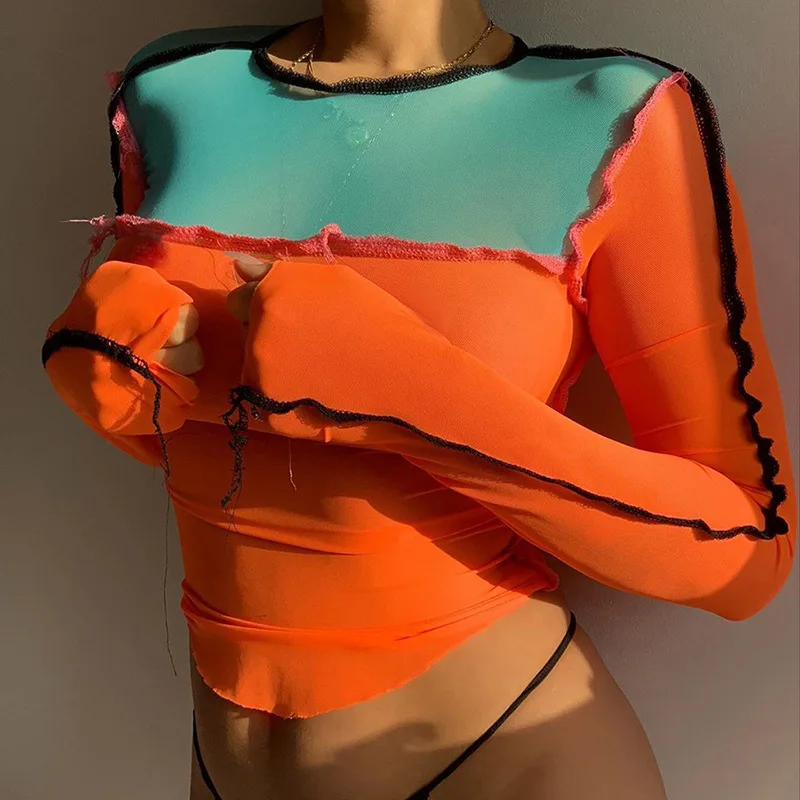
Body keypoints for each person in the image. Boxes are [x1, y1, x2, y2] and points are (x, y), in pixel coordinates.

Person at [41, 1, 797, 798]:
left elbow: (747, 552)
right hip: (224, 768)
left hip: (505, 759)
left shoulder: (618, 115)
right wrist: (109, 389)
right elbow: (226, 442)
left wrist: (412, 403)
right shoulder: (171, 87)